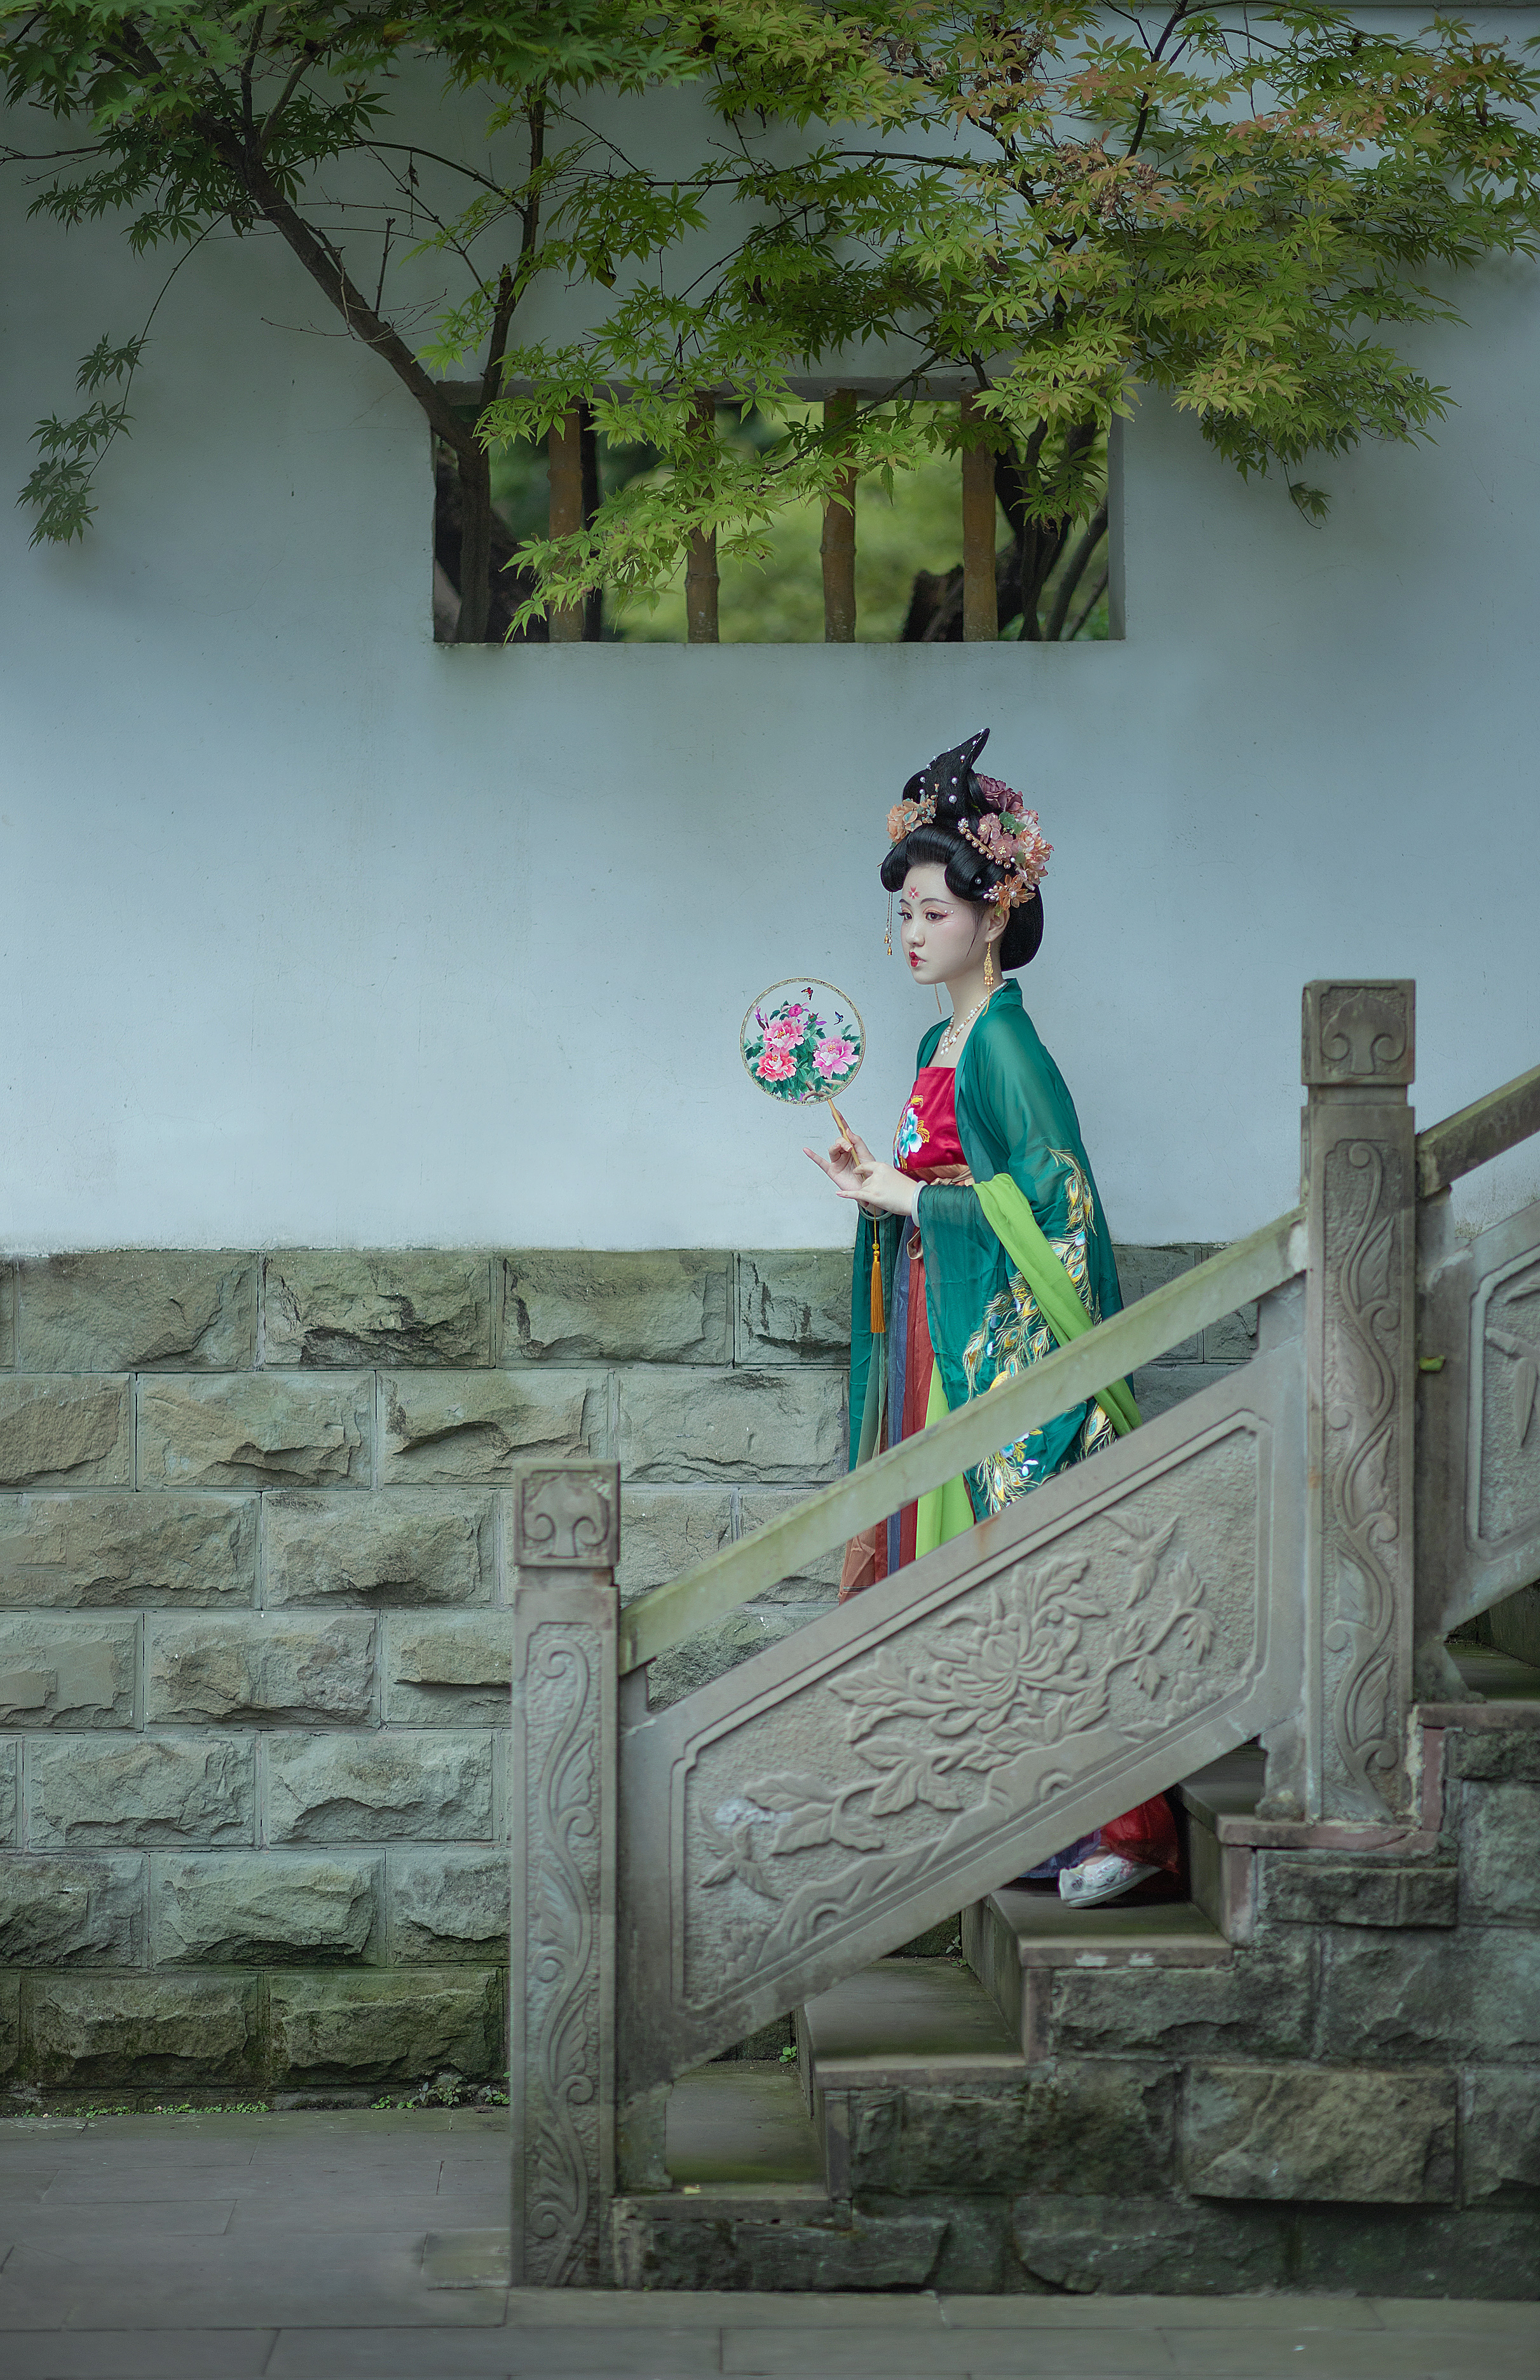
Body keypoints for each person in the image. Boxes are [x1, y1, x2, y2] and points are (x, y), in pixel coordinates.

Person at [805, 728, 1180, 1908]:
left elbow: (1062, 1207)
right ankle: (1028, 1809)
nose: (912, 933)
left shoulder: (1007, 1045)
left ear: (995, 914)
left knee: (1046, 1567)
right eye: (903, 915)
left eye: (932, 912)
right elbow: (949, 1180)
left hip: (1003, 1343)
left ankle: (1128, 1826)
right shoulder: (942, 1039)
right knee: (975, 1575)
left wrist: (916, 1197)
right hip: (947, 1329)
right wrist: (884, 1186)